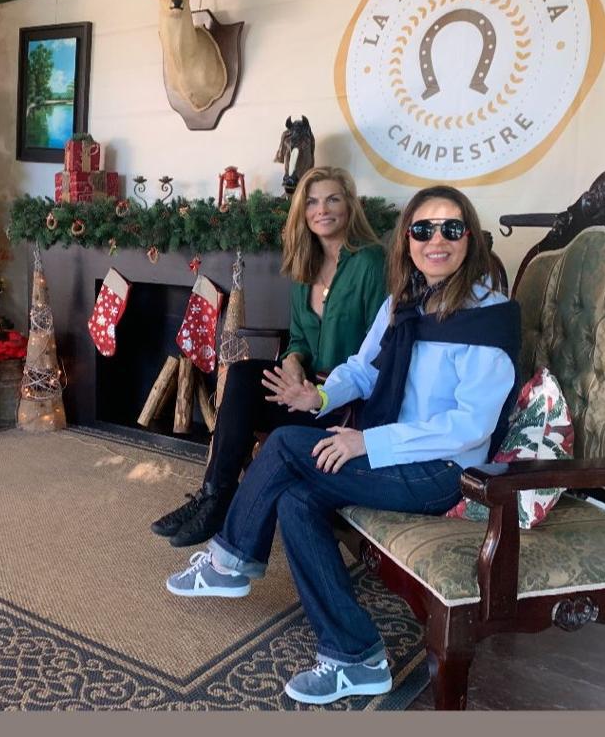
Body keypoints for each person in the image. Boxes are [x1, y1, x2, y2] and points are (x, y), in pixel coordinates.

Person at [164, 185, 521, 706]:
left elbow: (468, 428)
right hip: (396, 453)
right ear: (408, 241)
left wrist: (366, 442)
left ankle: (232, 558)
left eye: (450, 228)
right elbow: (362, 368)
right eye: (422, 230)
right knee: (294, 497)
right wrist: (321, 395)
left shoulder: (489, 316)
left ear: (469, 238)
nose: (435, 240)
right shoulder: (406, 301)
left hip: (445, 472)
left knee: (285, 445)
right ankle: (356, 658)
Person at [151, 167, 387, 547]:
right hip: (305, 391)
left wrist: (321, 389)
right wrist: (292, 362)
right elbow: (299, 340)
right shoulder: (304, 267)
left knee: (245, 386)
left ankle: (217, 501)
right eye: (311, 202)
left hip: (347, 404)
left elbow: (381, 351)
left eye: (332, 199)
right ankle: (213, 495)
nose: (321, 210)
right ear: (302, 212)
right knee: (244, 374)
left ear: (350, 206)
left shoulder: (371, 262)